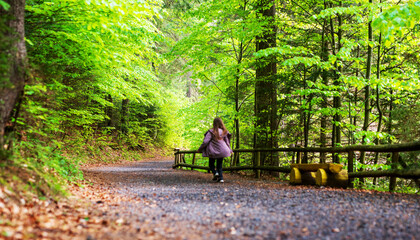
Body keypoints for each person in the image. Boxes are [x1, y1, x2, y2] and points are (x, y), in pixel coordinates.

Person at [198, 117, 233, 183]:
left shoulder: (211, 131)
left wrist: (200, 149)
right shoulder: (224, 131)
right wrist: (230, 150)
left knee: (211, 164)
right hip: (223, 150)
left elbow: (205, 142)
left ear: (214, 123)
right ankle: (221, 179)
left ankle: (215, 173)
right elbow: (227, 142)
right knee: (219, 165)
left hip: (213, 151)